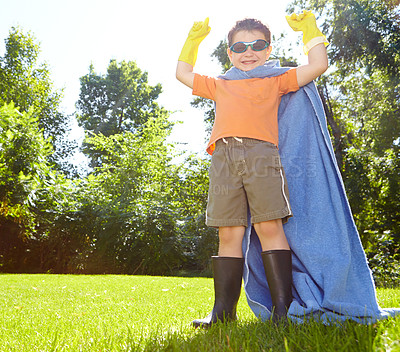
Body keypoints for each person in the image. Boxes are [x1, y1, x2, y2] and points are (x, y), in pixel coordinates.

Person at [176, 11, 328, 327]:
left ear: (269, 50)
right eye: (239, 47)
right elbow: (182, 73)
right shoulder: (219, 84)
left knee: (269, 227)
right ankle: (222, 313)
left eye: (257, 45)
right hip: (224, 159)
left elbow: (317, 65)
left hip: (262, 157)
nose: (248, 53)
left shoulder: (275, 80)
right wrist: (193, 40)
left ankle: (282, 311)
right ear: (229, 53)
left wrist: (310, 30)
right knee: (228, 231)